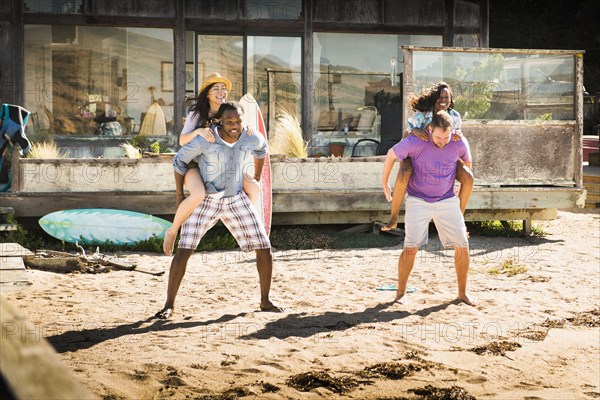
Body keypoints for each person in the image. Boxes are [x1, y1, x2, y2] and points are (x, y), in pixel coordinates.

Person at [155, 101, 282, 319]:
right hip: (208, 199)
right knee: (185, 250)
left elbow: (262, 150)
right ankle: (168, 305)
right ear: (219, 122)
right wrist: (179, 195)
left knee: (264, 246)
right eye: (229, 121)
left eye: (238, 121)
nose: (234, 125)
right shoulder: (207, 139)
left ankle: (265, 301)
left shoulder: (250, 137)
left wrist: (257, 178)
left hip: (235, 198)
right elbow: (179, 161)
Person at [381, 110, 477, 306]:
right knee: (411, 247)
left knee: (463, 246)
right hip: (418, 200)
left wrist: (460, 187)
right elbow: (391, 155)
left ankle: (462, 294)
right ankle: (400, 294)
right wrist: (385, 183)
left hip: (446, 200)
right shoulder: (417, 141)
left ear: (453, 132)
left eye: (446, 137)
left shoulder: (458, 142)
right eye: (438, 137)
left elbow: (467, 164)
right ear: (430, 129)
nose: (442, 141)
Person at [163, 73, 259, 255]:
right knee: (198, 194)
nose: (221, 92)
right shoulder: (196, 114)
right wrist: (199, 131)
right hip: (194, 164)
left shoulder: (229, 111)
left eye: (224, 88)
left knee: (254, 189)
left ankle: (244, 224)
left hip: (221, 168)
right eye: (216, 88)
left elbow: (239, 128)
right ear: (207, 93)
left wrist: (249, 128)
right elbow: (182, 140)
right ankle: (173, 230)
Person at [382, 81, 472, 231]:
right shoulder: (421, 116)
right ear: (434, 98)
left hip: (443, 156)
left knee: (469, 177)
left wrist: (458, 134)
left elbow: (457, 141)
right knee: (404, 173)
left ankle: (460, 220)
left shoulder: (454, 116)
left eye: (447, 97)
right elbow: (405, 138)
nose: (443, 100)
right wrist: (413, 131)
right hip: (417, 156)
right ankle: (393, 218)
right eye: (440, 97)